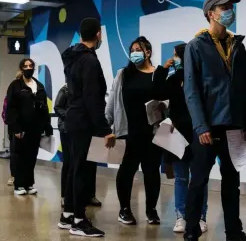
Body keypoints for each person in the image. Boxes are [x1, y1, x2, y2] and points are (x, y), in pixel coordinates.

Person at [183, 0, 246, 241]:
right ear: (211, 13)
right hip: (207, 127)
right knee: (198, 181)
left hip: (234, 127)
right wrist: (200, 126)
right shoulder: (196, 46)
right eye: (225, 7)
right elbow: (191, 90)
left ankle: (234, 231)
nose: (230, 10)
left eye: (231, 7)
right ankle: (191, 230)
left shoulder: (239, 46)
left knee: (232, 182)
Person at [57, 18, 114, 237]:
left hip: (73, 120)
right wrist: (105, 129)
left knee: (74, 168)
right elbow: (93, 98)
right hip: (84, 122)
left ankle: (68, 214)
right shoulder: (89, 61)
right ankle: (79, 221)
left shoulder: (73, 57)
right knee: (82, 171)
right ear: (98, 35)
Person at [105, 36, 168, 226]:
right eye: (132, 50)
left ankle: (151, 210)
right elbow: (112, 100)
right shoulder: (123, 74)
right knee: (126, 171)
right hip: (127, 132)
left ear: (148, 52)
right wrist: (105, 124)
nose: (134, 53)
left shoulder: (157, 74)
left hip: (152, 132)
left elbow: (167, 99)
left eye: (138, 49)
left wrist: (164, 105)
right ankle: (124, 209)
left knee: (151, 173)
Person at [162, 44, 209, 233]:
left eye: (176, 55)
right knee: (181, 178)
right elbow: (156, 93)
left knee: (199, 179)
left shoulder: (200, 78)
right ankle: (181, 216)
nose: (174, 59)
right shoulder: (172, 80)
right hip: (177, 136)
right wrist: (164, 68)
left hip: (198, 134)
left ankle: (200, 217)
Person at [6, 59, 53, 195]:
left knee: (32, 156)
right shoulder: (15, 85)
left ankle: (29, 183)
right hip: (21, 127)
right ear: (21, 68)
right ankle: (19, 184)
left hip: (35, 127)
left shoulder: (39, 86)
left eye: (31, 66)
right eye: (25, 66)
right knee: (20, 156)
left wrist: (47, 125)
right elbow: (11, 108)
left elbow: (44, 107)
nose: (28, 68)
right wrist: (15, 128)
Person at [54, 84, 102, 208]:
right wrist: (72, 117)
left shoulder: (92, 90)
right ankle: (65, 196)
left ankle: (90, 194)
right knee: (69, 162)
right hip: (68, 130)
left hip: (89, 130)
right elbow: (58, 107)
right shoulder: (65, 89)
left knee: (91, 163)